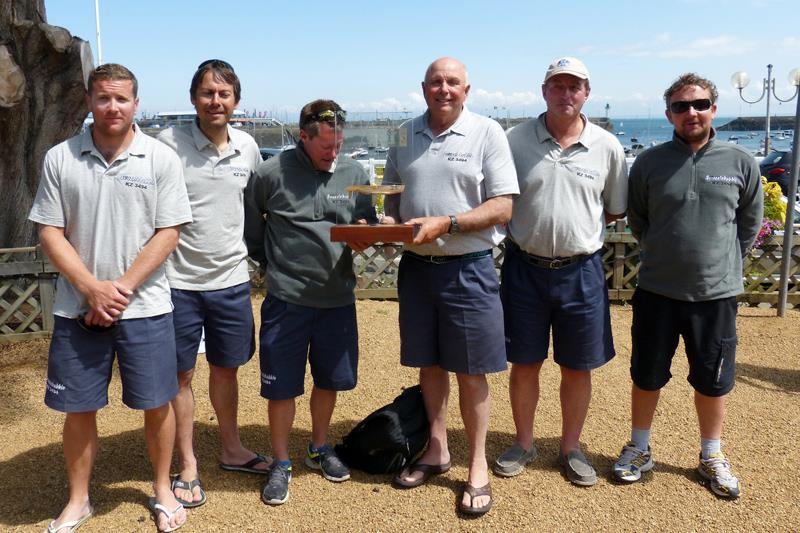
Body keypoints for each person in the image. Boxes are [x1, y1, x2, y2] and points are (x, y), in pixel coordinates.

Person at [28, 64, 192, 532]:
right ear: (89, 101)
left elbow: (170, 231)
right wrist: (90, 288)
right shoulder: (61, 157)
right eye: (103, 98)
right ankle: (78, 499)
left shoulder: (159, 158)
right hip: (76, 307)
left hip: (146, 307)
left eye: (122, 99)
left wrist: (118, 290)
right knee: (79, 408)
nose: (112, 107)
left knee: (157, 403)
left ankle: (162, 489)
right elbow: (49, 231)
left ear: (136, 103)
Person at [612, 73, 762, 498]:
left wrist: (720, 262)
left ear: (714, 108)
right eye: (681, 106)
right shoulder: (649, 163)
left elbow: (748, 224)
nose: (690, 112)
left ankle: (710, 454)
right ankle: (640, 447)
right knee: (646, 375)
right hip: (657, 290)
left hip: (715, 295)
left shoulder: (740, 161)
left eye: (699, 104)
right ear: (668, 115)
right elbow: (638, 219)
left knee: (713, 380)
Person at [382, 57, 519, 516]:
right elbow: (393, 199)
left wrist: (449, 222)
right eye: (436, 82)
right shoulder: (403, 134)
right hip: (418, 270)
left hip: (469, 268)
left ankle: (476, 463)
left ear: (467, 89)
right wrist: (384, 225)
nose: (444, 89)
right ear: (423, 88)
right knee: (429, 365)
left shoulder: (488, 133)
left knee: (472, 370)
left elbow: (502, 207)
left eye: (452, 82)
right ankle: (436, 449)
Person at [494, 57, 628, 486]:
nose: (566, 94)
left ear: (587, 92)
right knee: (525, 363)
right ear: (544, 90)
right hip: (523, 268)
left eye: (575, 86)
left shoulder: (607, 146)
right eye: (558, 86)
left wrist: (573, 232)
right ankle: (525, 442)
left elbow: (613, 208)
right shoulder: (513, 141)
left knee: (578, 366)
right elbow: (499, 198)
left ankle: (571, 447)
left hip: (581, 271)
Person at [244, 99, 376, 506]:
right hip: (287, 300)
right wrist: (272, 267)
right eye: (326, 147)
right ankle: (281, 462)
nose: (334, 154)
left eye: (338, 145)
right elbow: (252, 228)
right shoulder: (270, 173)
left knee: (329, 379)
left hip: (337, 298)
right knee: (281, 386)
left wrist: (369, 230)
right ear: (303, 137)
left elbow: (366, 221)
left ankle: (319, 447)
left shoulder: (355, 172)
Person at [156, 59, 271, 509]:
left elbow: (259, 208)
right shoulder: (166, 145)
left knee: (227, 368)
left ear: (236, 101)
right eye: (207, 93)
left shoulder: (248, 146)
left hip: (230, 280)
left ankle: (231, 448)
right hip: (178, 281)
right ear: (193, 98)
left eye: (224, 94)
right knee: (181, 374)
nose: (215, 101)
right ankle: (187, 463)